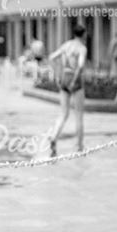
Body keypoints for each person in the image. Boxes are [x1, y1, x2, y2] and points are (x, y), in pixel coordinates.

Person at [47, 24, 88, 157]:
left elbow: (52, 57)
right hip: (75, 80)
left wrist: (57, 75)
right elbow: (80, 66)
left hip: (65, 76)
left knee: (63, 113)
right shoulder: (81, 48)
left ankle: (54, 136)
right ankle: (79, 146)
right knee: (79, 115)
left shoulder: (67, 45)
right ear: (83, 34)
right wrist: (75, 80)